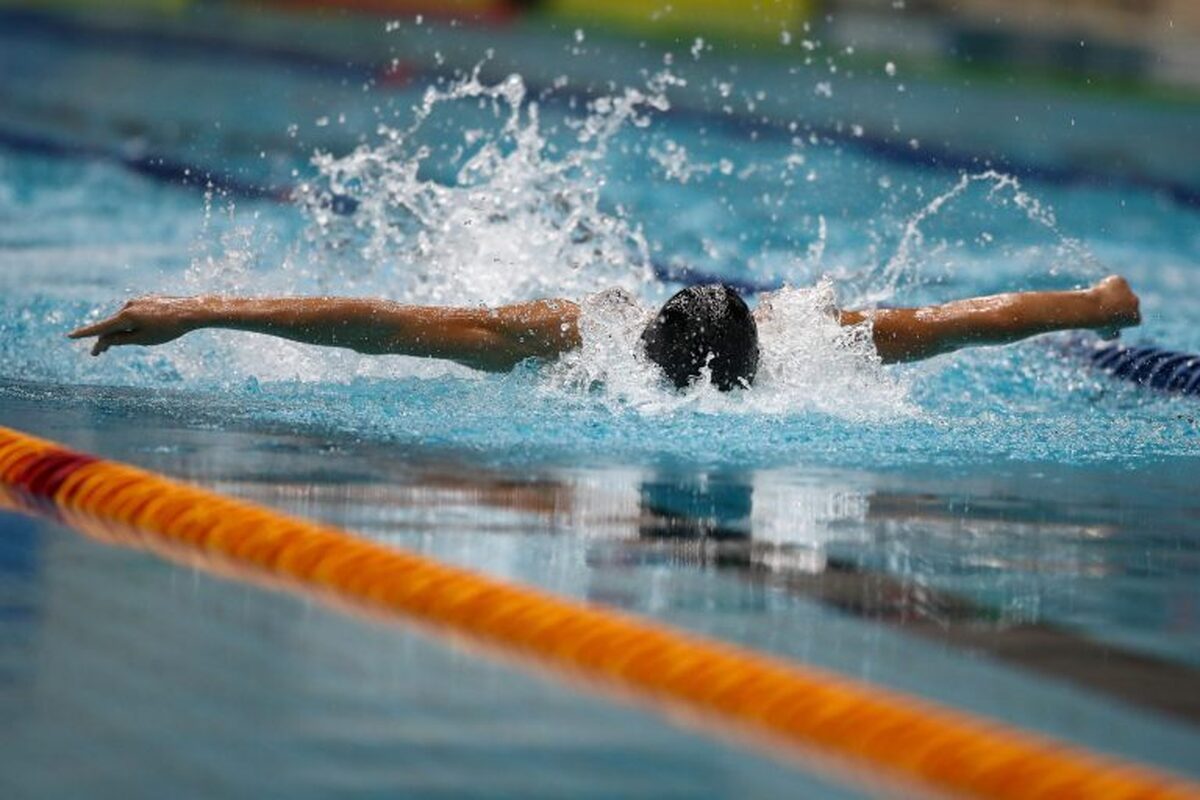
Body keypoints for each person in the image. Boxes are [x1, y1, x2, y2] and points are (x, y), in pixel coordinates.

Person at [69, 275, 1141, 391]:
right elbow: (972, 322)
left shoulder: (816, 332)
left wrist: (196, 309)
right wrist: (1093, 302)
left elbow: (378, 328)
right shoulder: (563, 334)